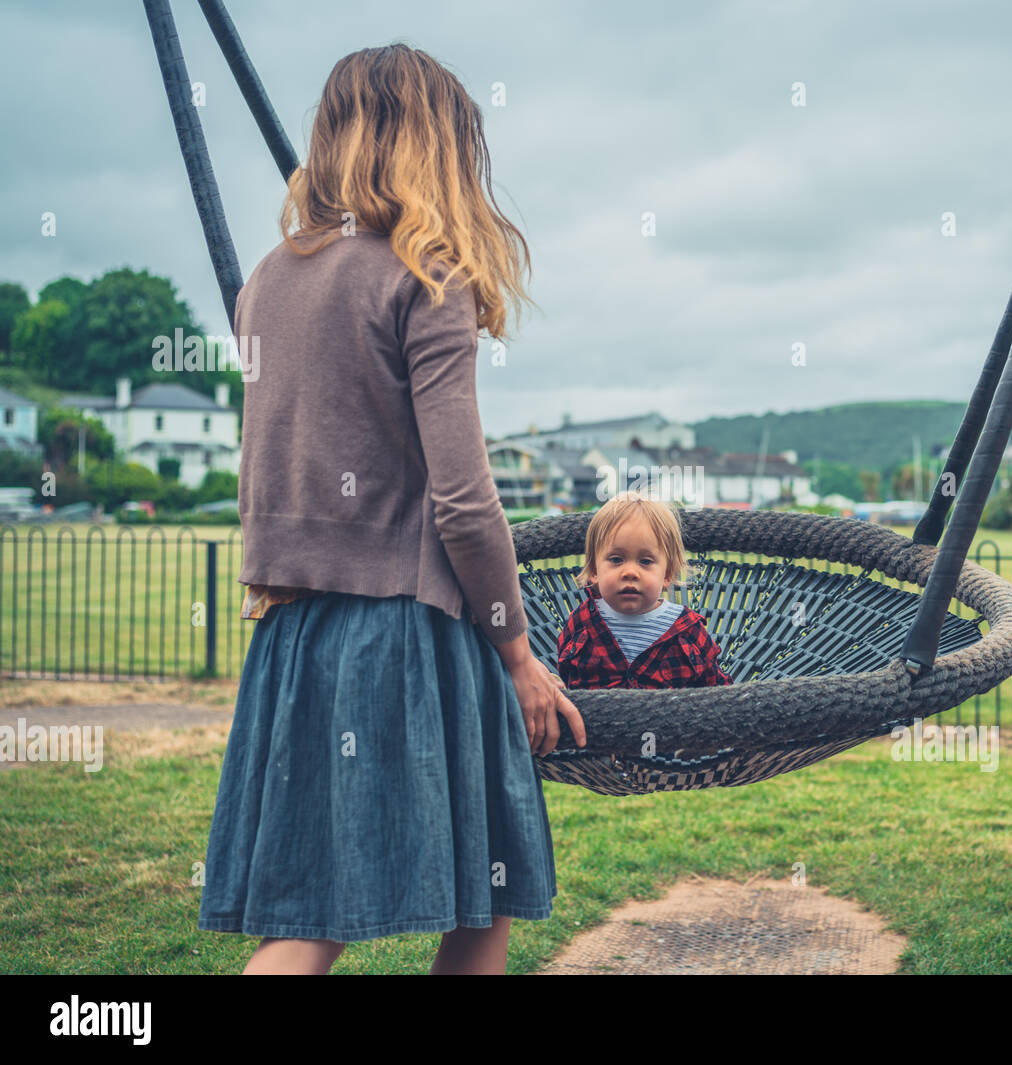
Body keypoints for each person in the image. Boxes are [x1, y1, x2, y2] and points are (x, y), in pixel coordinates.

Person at [197, 43, 585, 976]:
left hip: (293, 636)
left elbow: (270, 460)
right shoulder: (427, 275)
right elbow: (462, 498)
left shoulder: (266, 280)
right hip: (408, 636)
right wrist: (519, 654)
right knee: (482, 896)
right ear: (442, 150)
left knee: (304, 910)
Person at [557, 492, 732, 689]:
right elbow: (566, 682)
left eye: (645, 561)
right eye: (616, 559)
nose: (630, 572)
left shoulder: (689, 630)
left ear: (667, 574)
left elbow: (717, 692)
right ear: (594, 570)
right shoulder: (581, 622)